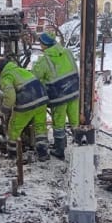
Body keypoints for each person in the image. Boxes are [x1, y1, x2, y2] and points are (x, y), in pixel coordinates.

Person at [32, 32, 79, 160]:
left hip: (59, 96)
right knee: (75, 121)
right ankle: (81, 145)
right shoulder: (67, 52)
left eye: (41, 43)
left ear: (44, 45)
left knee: (59, 123)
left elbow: (35, 76)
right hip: (74, 91)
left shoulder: (45, 59)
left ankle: (59, 150)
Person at [0, 57, 50, 161]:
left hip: (27, 101)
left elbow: (10, 97)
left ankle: (12, 154)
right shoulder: (20, 70)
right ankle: (43, 153)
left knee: (14, 128)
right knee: (40, 126)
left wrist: (3, 110)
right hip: (42, 98)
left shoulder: (6, 76)